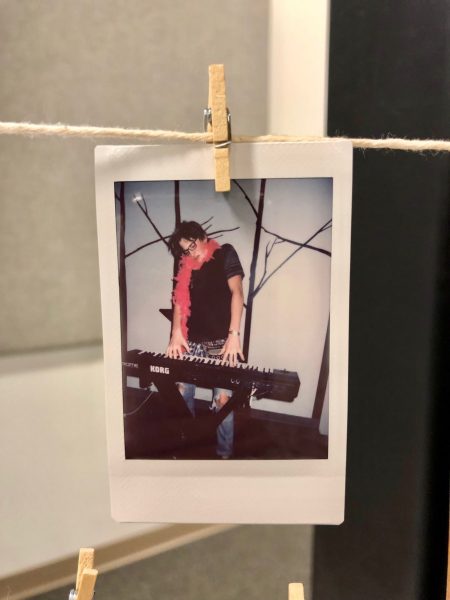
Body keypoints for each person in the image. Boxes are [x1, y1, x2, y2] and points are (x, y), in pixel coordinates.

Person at [166, 221, 245, 458]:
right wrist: (175, 333)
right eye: (185, 250)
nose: (190, 253)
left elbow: (237, 293)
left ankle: (224, 455)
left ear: (202, 236)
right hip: (191, 340)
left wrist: (234, 335)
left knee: (223, 401)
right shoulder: (186, 264)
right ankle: (186, 445)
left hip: (220, 342)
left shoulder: (225, 253)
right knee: (180, 393)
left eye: (192, 246)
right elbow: (179, 300)